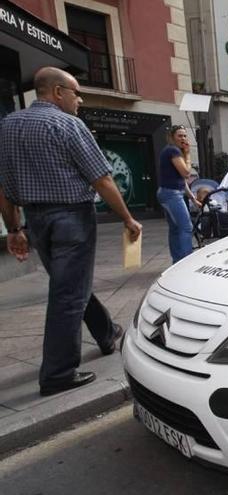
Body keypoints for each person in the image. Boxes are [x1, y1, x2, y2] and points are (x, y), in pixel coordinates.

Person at [0, 67, 142, 396]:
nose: (79, 101)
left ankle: (106, 333)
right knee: (67, 294)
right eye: (76, 93)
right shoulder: (68, 124)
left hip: (36, 221)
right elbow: (102, 179)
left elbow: (4, 188)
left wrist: (14, 229)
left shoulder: (7, 126)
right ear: (58, 92)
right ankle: (58, 373)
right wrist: (127, 218)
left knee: (70, 283)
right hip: (71, 219)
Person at [156, 125, 200, 263]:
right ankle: (186, 261)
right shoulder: (173, 150)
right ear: (171, 137)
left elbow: (181, 181)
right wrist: (187, 154)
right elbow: (186, 173)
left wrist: (193, 199)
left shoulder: (171, 151)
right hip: (171, 194)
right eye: (180, 135)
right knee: (186, 227)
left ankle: (177, 260)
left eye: (185, 136)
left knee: (175, 229)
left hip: (169, 193)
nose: (183, 138)